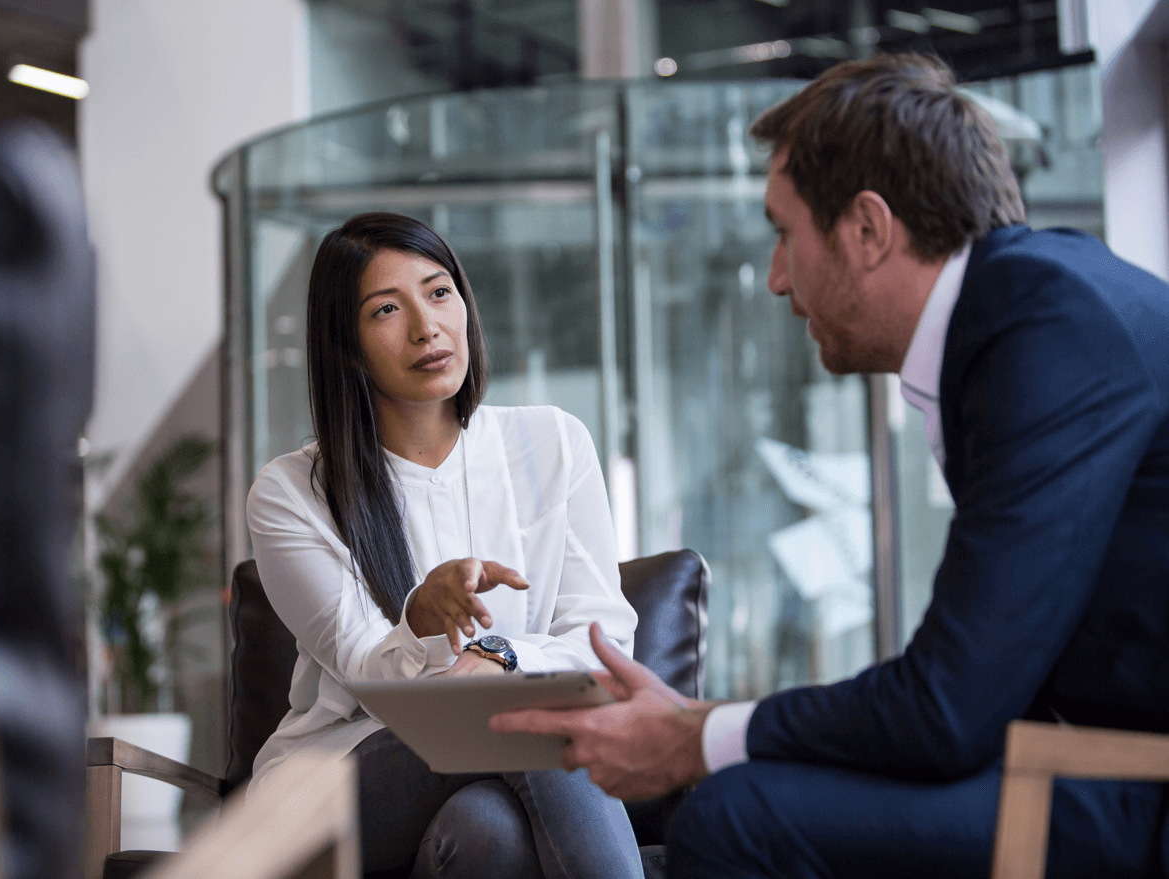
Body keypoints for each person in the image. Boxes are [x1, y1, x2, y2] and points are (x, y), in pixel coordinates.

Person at [493, 53, 1169, 878]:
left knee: (739, 816)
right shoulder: (1031, 298)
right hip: (1089, 746)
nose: (777, 279)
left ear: (868, 229)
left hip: (1136, 776)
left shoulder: (1043, 327)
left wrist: (696, 736)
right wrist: (706, 729)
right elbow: (970, 687)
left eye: (784, 233)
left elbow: (949, 706)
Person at [245, 212, 643, 879]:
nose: (427, 327)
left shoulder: (554, 443)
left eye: (438, 292)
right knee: (524, 711)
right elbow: (368, 670)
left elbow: (604, 644)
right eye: (385, 310)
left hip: (495, 778)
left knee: (485, 833)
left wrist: (499, 656)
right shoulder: (292, 491)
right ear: (346, 342)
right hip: (336, 788)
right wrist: (422, 624)